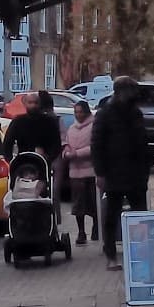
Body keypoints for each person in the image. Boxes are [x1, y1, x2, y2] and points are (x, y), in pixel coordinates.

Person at [90, 75, 150, 269]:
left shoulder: (135, 113)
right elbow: (96, 144)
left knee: (140, 216)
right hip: (113, 173)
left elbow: (143, 142)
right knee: (111, 216)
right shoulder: (104, 114)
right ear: (120, 92)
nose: (133, 96)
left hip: (136, 174)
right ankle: (111, 256)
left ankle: (141, 255)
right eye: (130, 92)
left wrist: (146, 169)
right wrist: (100, 172)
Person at [63, 100, 98, 245]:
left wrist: (77, 153)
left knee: (93, 203)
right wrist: (66, 152)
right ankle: (81, 232)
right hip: (75, 173)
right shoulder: (71, 128)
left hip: (90, 172)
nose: (78, 115)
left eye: (80, 112)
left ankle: (96, 228)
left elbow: (95, 147)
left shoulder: (94, 127)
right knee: (78, 205)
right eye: (76, 112)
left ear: (86, 112)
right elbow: (66, 143)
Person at [3, 90, 62, 168]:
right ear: (25, 104)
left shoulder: (49, 121)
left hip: (43, 163)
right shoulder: (18, 121)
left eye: (36, 102)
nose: (33, 105)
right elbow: (8, 142)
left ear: (40, 104)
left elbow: (56, 143)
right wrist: (11, 161)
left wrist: (49, 157)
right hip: (23, 162)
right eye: (30, 102)